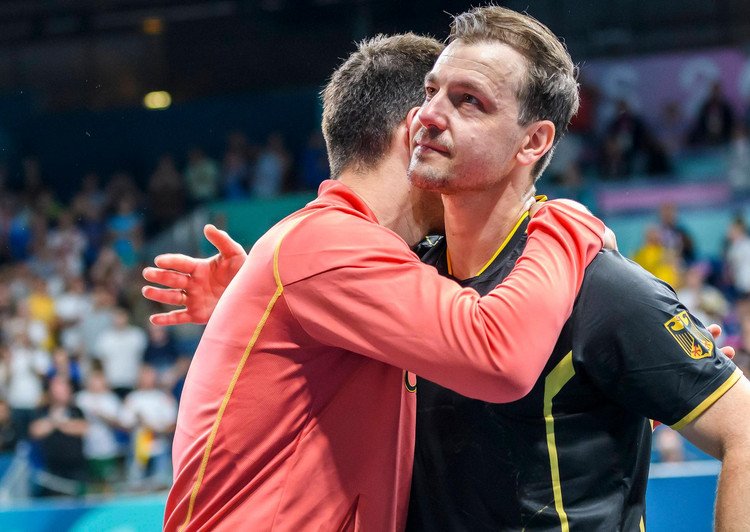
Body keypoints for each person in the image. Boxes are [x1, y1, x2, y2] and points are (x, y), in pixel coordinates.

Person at [150, 8, 750, 531]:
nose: (434, 114)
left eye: (468, 101)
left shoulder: (596, 285)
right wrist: (565, 220)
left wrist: (640, 359)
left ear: (533, 141)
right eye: (431, 93)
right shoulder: (394, 268)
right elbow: (495, 355)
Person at [144, 34, 608, 531]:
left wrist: (612, 365)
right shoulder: (329, 245)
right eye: (445, 106)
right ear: (418, 132)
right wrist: (565, 224)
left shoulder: (332, 253)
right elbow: (499, 356)